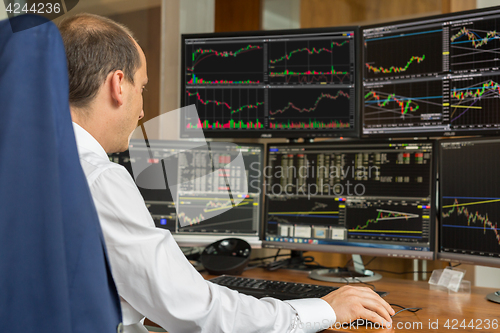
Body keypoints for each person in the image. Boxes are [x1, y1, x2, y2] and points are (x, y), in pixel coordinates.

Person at [58, 13, 395, 333]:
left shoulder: (39, 167)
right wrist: (325, 309)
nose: (143, 110)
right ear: (119, 84)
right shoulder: (100, 178)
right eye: (142, 88)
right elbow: (198, 313)